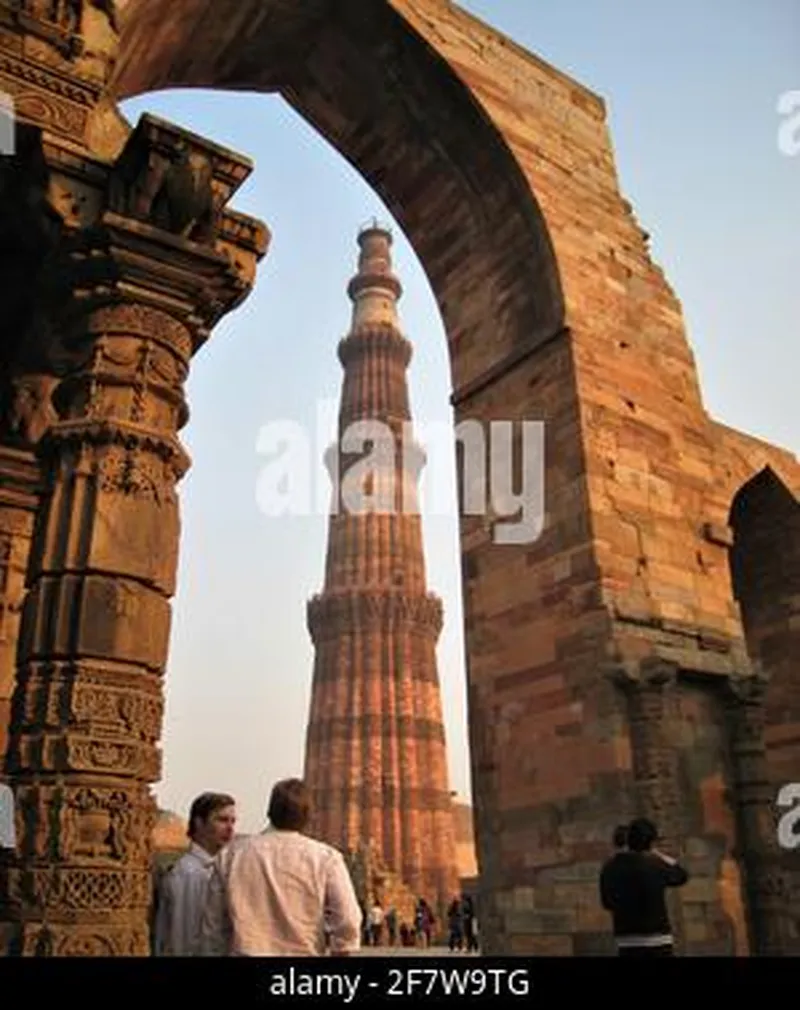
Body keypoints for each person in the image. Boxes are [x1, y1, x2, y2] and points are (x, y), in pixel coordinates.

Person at [201, 777, 362, 956]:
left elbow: (213, 928)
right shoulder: (326, 859)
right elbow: (348, 920)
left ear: (269, 812)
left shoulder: (230, 856)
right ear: (308, 816)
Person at [154, 791, 236, 956]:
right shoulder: (188, 873)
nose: (230, 828)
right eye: (222, 820)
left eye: (233, 821)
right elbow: (185, 938)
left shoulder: (215, 869)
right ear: (199, 823)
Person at [599, 817, 689, 956]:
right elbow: (681, 875)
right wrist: (657, 854)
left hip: (626, 939)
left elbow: (607, 903)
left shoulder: (610, 868)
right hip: (658, 939)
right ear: (651, 843)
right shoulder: (655, 866)